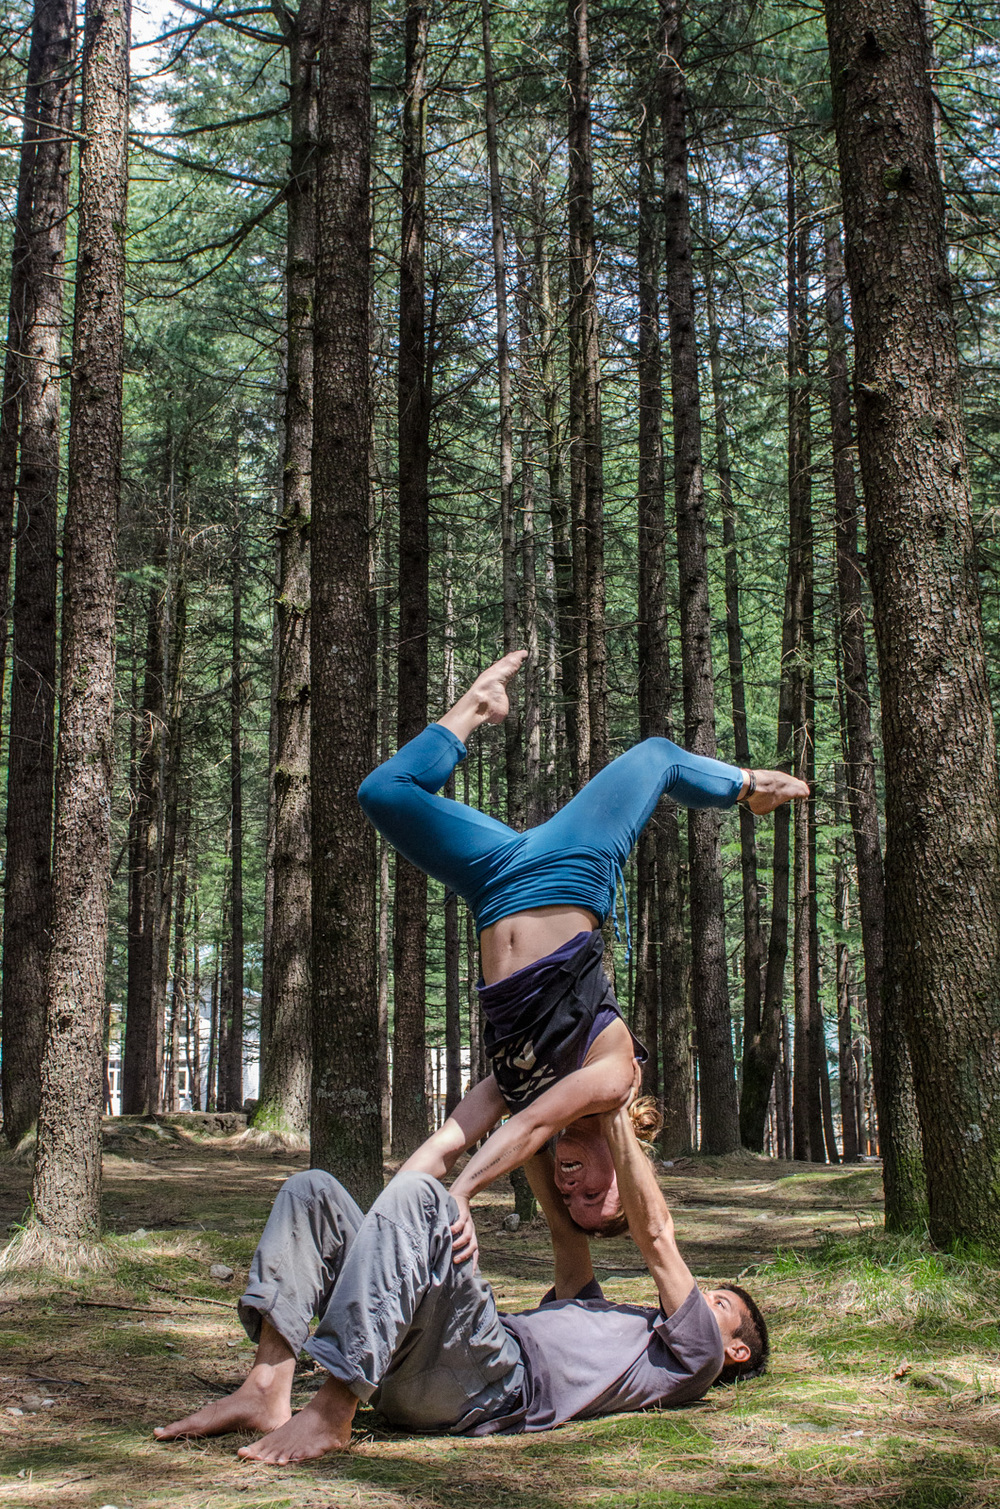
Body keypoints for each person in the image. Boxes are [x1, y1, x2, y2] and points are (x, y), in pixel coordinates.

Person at [361, 650, 808, 1251]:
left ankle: (477, 705)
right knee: (657, 757)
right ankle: (750, 787)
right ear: (629, 1172)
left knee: (383, 793)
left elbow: (449, 1139)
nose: (572, 1189)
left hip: (493, 883)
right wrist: (461, 1195)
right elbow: (530, 1125)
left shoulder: (525, 1086)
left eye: (572, 1202)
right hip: (569, 872)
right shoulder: (613, 1081)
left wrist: (386, 1218)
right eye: (593, 1196)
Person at [153, 1106, 769, 1464]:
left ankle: (331, 1412)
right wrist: (538, 1118)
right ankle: (266, 1386)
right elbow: (565, 1237)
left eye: (719, 1303)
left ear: (734, 1348)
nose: (697, 1299)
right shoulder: (615, 1323)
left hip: (490, 1384)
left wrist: (617, 1121)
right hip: (429, 1356)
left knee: (423, 1198)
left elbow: (656, 1235)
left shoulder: (696, 1359)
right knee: (312, 1191)